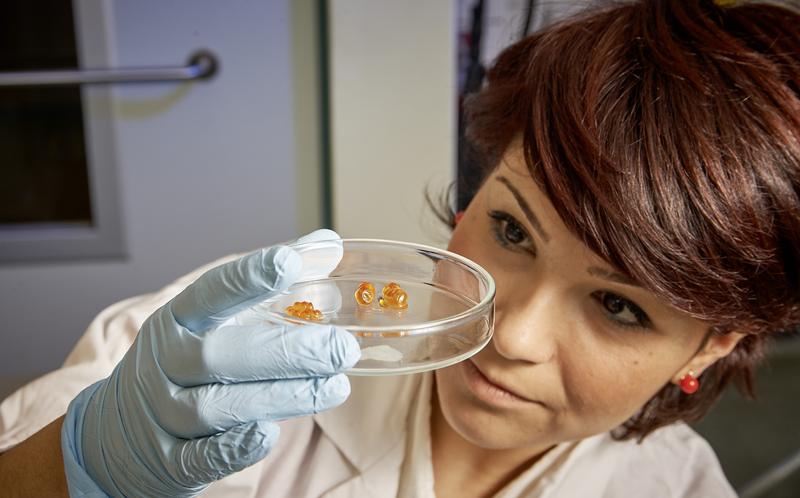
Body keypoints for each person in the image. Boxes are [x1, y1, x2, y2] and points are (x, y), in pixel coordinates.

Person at [1, 0, 799, 496]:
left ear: (716, 339)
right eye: (512, 230)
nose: (509, 334)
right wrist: (82, 471)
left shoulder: (678, 489)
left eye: (619, 306)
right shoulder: (250, 338)